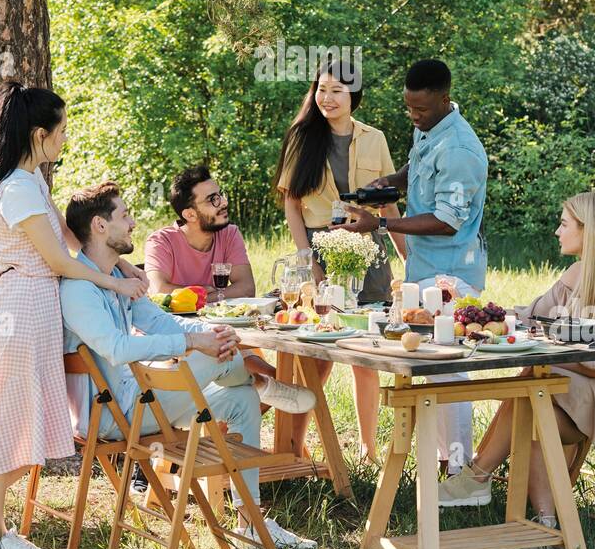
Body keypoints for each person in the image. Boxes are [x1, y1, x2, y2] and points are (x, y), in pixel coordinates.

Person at [0, 83, 148, 549]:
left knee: (25, 422)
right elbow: (57, 259)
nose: (65, 139)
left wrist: (121, 266)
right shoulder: (16, 190)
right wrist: (113, 286)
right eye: (62, 131)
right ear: (38, 134)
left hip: (36, 309)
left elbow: (72, 240)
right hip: (20, 309)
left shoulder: (35, 185)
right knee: (8, 418)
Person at [60, 182, 317, 549]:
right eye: (125, 215)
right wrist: (195, 343)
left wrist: (208, 330)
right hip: (114, 416)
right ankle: (260, 379)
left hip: (141, 401)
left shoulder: (117, 277)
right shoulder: (79, 288)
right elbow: (116, 349)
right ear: (100, 226)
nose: (133, 223)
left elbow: (162, 322)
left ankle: (250, 523)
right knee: (207, 355)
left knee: (241, 399)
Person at [436, 191, 595, 549]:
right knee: (534, 400)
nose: (556, 232)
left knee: (535, 386)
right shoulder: (577, 273)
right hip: (578, 389)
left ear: (589, 231)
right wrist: (470, 308)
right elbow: (530, 317)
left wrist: (551, 350)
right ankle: (542, 528)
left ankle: (476, 478)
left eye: (564, 224)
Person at [342, 57, 487, 471]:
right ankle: (442, 463)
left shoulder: (460, 150)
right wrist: (388, 183)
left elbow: (446, 220)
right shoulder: (429, 128)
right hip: (424, 269)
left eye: (420, 109)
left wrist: (382, 222)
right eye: (408, 107)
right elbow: (418, 167)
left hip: (453, 272)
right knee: (429, 368)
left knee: (448, 369)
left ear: (444, 99)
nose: (413, 115)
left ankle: (460, 469)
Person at [274, 60, 403, 461]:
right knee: (319, 355)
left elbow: (389, 203)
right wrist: (308, 261)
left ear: (354, 97)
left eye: (337, 91)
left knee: (367, 353)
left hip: (369, 249)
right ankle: (295, 446)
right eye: (321, 89)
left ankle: (369, 448)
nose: (326, 98)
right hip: (320, 246)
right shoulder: (302, 137)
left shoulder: (375, 138)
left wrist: (405, 254)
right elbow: (292, 205)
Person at [145, 166, 255, 300]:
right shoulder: (161, 241)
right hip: (175, 320)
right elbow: (159, 290)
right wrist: (204, 291)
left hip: (216, 319)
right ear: (190, 215)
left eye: (220, 195)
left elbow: (246, 288)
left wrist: (203, 297)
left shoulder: (229, 234)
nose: (224, 202)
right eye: (212, 199)